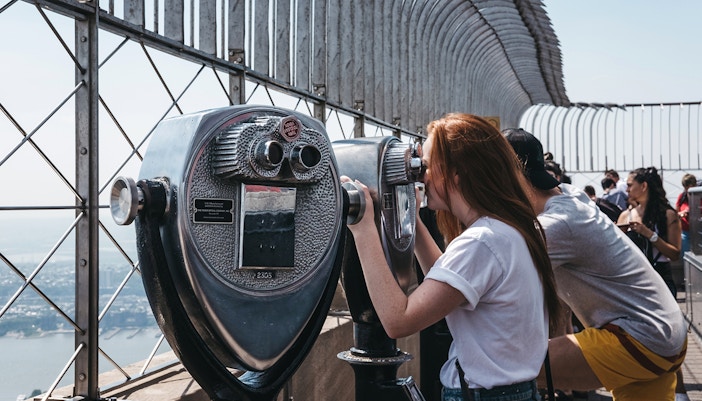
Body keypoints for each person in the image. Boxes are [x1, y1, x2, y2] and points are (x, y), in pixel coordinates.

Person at [343, 113, 561, 401]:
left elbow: (398, 320)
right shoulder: (506, 231)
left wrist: (362, 227)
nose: (420, 173)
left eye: (428, 164)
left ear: (457, 174)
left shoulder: (482, 242)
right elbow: (445, 283)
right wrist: (413, 218)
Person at [504, 128, 687, 401]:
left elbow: (490, 271)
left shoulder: (557, 224)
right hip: (667, 332)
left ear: (509, 175)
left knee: (503, 364)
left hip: (640, 339)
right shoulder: (570, 197)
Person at [616, 167, 689, 401]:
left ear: (644, 186)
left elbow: (676, 253)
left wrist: (650, 234)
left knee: (669, 338)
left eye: (630, 184)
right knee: (633, 336)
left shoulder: (668, 215)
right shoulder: (625, 215)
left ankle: (679, 393)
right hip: (633, 282)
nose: (627, 189)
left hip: (660, 278)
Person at [676, 174, 698, 256]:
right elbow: (675, 214)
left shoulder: (699, 196)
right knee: (685, 256)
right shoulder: (682, 197)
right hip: (685, 232)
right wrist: (681, 214)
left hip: (698, 231)